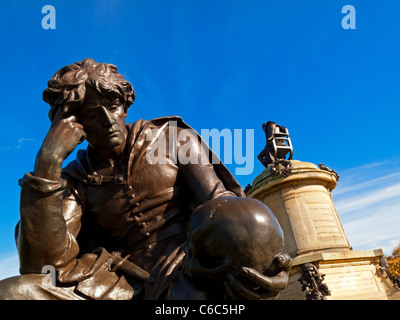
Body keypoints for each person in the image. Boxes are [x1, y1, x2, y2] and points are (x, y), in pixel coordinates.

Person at [0, 58, 291, 300]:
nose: (106, 119)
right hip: (115, 281)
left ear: (125, 105)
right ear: (73, 124)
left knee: (245, 222)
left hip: (188, 263)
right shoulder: (76, 176)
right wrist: (47, 164)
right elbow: (43, 264)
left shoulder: (173, 139)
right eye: (90, 114)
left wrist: (259, 250)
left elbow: (219, 202)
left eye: (112, 106)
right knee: (15, 293)